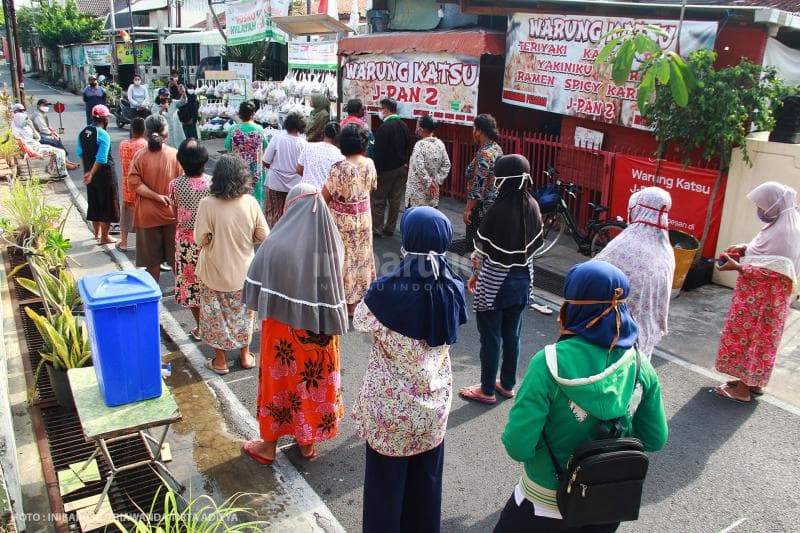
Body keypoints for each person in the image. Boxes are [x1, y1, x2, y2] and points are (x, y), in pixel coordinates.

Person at [494, 261, 668, 531]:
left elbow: (518, 445)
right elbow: (655, 439)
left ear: (574, 307)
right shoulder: (639, 366)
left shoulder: (548, 364)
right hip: (604, 503)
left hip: (544, 500)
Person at [352, 207, 468, 533]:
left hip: (390, 411)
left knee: (385, 493)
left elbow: (360, 322)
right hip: (434, 408)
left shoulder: (385, 291)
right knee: (426, 486)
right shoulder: (453, 288)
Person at [241, 182, 348, 464]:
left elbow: (255, 280)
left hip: (283, 336)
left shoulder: (275, 244)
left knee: (281, 385)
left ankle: (268, 447)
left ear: (290, 207)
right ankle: (306, 443)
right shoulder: (332, 241)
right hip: (320, 332)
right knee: (310, 386)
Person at [460, 154, 543, 405]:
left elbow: (481, 253)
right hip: (523, 282)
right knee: (512, 335)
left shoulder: (498, 210)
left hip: (495, 285)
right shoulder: (533, 205)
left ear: (505, 179)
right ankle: (507, 385)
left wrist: (475, 276)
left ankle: (486, 390)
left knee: (491, 337)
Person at [712, 181, 800, 403]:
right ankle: (753, 382)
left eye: (761, 206)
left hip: (762, 303)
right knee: (762, 342)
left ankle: (742, 391)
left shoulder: (784, 232)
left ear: (774, 204)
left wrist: (739, 267)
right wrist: (745, 249)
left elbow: (775, 274)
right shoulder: (782, 226)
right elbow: (768, 257)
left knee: (752, 339)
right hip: (763, 301)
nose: (759, 211)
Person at [194, 155, 267, 374]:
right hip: (243, 271)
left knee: (216, 316)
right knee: (244, 314)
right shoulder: (250, 202)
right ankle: (245, 355)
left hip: (214, 271)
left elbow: (200, 239)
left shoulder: (207, 204)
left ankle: (220, 361)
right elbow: (263, 235)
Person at [594, 187, 675, 359]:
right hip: (644, 335)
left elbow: (590, 274)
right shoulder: (666, 250)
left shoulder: (624, 244)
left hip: (613, 333)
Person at [322, 123, 377, 316]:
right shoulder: (369, 164)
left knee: (344, 260)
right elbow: (371, 188)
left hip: (342, 221)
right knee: (362, 257)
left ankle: (348, 304)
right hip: (364, 218)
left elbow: (325, 197)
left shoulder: (338, 168)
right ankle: (362, 298)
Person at [128, 115, 183, 281]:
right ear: (166, 134)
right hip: (172, 214)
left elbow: (134, 184)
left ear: (146, 133)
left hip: (147, 216)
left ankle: (154, 295)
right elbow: (183, 185)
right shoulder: (175, 155)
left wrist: (156, 197)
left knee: (152, 263)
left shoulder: (140, 156)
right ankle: (181, 293)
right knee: (176, 260)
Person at [169, 140, 211, 342]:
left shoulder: (175, 185)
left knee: (190, 285)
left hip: (186, 242)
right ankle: (213, 326)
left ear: (181, 161)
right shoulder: (212, 183)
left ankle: (201, 327)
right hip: (209, 240)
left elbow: (174, 213)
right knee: (210, 284)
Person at [78, 105, 119, 244]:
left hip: (90, 175)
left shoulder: (83, 132)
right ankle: (105, 237)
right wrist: (92, 172)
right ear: (105, 119)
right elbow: (102, 158)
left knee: (94, 202)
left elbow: (80, 153)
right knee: (106, 204)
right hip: (104, 174)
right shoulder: (103, 134)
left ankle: (97, 233)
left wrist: (87, 172)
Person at [371, 98, 409, 237]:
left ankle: (377, 229)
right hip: (401, 168)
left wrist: (376, 171)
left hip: (386, 170)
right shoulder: (404, 125)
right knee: (395, 200)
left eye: (380, 109)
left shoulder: (384, 128)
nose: (379, 112)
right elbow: (407, 146)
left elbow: (379, 152)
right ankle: (390, 228)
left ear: (386, 110)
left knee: (378, 200)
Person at [464, 114, 503, 248]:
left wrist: (468, 209)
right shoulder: (496, 148)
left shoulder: (484, 153)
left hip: (480, 208)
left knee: (474, 247)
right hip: (493, 204)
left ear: (479, 131)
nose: (473, 132)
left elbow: (478, 185)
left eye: (474, 128)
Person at [262, 111, 307, 228]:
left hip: (275, 183)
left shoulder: (277, 138)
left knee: (273, 215)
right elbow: (304, 168)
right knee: (291, 217)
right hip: (295, 186)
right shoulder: (303, 144)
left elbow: (265, 161)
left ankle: (272, 238)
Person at [225, 101, 268, 209]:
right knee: (256, 197)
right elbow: (265, 147)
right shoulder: (259, 129)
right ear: (253, 114)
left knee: (239, 194)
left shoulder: (233, 130)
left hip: (238, 169)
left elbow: (228, 150)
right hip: (256, 170)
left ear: (239, 114)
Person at [11, 110, 75, 177]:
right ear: (19, 120)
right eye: (24, 120)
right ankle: (60, 172)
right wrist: (35, 154)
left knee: (60, 150)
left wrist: (32, 127)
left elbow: (37, 138)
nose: (26, 121)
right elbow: (24, 146)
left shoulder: (26, 128)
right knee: (59, 151)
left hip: (37, 145)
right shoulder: (16, 132)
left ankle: (62, 168)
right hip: (34, 149)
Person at [405, 115, 451, 208]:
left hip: (417, 195)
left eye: (417, 126)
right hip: (432, 194)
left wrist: (430, 183)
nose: (416, 129)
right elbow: (446, 164)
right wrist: (436, 181)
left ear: (421, 130)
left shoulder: (419, 145)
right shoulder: (440, 144)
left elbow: (419, 168)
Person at [117, 117, 148, 252]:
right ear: (144, 130)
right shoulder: (145, 145)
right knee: (142, 215)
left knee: (126, 214)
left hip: (127, 185)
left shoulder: (123, 145)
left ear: (131, 129)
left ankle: (123, 242)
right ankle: (142, 245)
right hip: (141, 186)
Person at [298, 121, 344, 190]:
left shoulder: (308, 147)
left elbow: (299, 170)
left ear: (323, 133)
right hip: (323, 194)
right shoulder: (340, 156)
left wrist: (309, 176)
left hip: (304, 191)